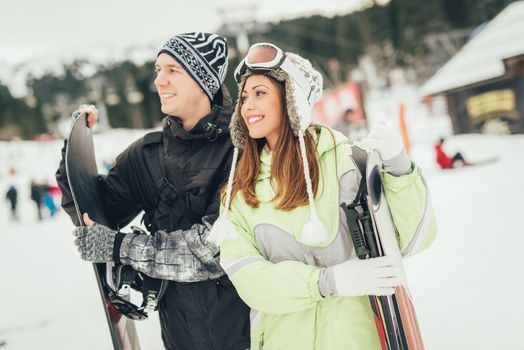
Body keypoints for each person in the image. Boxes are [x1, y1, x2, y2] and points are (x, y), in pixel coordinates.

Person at [206, 43, 437, 349]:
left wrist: (399, 169)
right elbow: (250, 280)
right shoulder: (241, 192)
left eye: (260, 93)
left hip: (360, 339)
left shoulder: (348, 163)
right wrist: (329, 282)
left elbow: (412, 240)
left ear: (292, 100)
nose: (247, 106)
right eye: (244, 97)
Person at [56, 32, 250, 350]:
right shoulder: (147, 155)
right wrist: (73, 155)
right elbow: (95, 213)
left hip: (250, 335)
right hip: (179, 337)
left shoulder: (242, 151)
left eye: (173, 70)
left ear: (205, 80)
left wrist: (120, 248)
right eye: (157, 69)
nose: (159, 81)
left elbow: (214, 251)